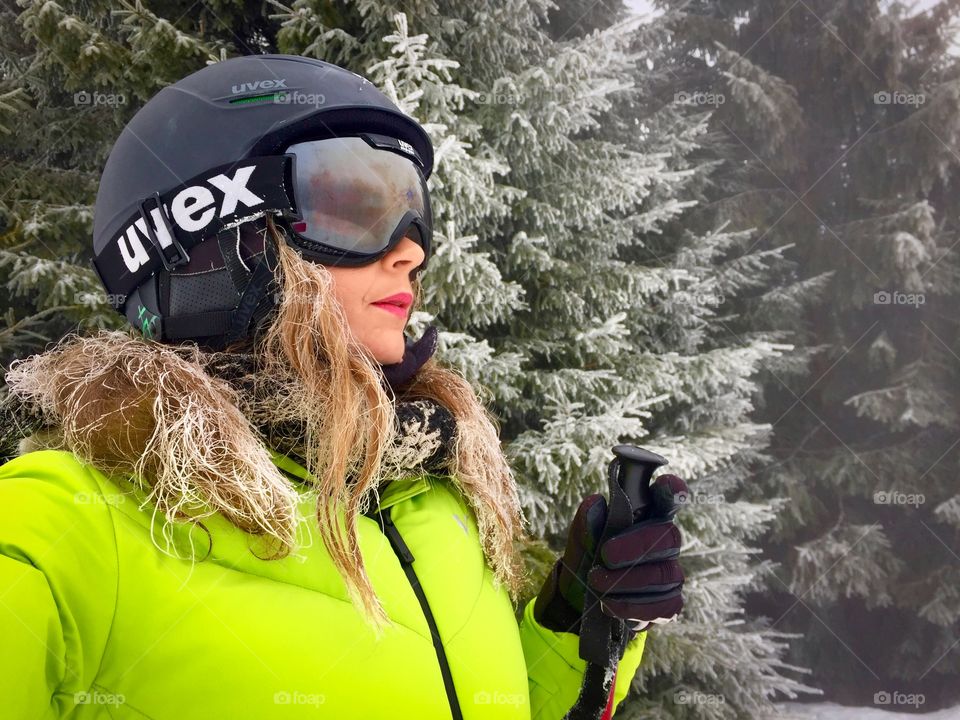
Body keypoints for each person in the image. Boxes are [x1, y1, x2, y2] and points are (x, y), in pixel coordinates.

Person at [0, 54, 687, 719]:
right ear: (210, 241)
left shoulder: (428, 500)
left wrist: (580, 625)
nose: (411, 249)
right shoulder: (66, 532)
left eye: (413, 208)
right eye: (352, 206)